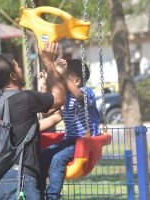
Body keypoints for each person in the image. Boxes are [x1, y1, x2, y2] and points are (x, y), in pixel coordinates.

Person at [0, 42, 67, 200]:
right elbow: (60, 98)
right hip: (22, 181)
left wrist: (57, 117)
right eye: (17, 67)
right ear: (12, 75)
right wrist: (48, 61)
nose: (21, 69)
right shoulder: (25, 98)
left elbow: (30, 129)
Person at [41, 59, 101, 200]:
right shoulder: (65, 97)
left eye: (63, 78)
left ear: (77, 81)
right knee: (41, 156)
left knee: (57, 158)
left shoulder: (87, 92)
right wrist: (44, 84)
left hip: (83, 143)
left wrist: (64, 75)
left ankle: (52, 197)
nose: (61, 81)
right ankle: (37, 192)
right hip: (68, 141)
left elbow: (79, 96)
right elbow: (46, 110)